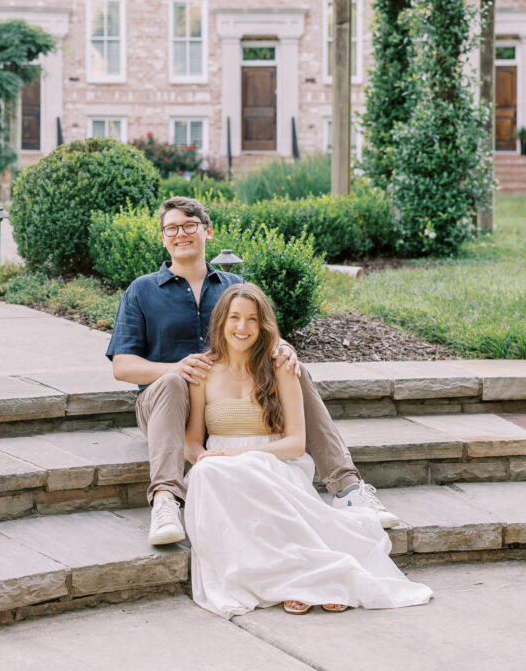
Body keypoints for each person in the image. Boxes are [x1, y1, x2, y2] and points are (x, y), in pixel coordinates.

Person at [107, 196, 398, 547]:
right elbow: (122, 366)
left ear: (207, 231)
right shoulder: (141, 290)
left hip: (226, 405)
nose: (180, 233)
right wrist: (177, 368)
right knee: (172, 382)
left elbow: (261, 330)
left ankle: (347, 488)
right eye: (172, 228)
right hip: (165, 408)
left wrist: (284, 347)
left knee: (294, 369)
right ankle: (166, 500)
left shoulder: (232, 284)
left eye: (189, 225)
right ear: (163, 238)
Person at [184, 283, 433, 618]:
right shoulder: (203, 372)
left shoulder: (280, 366)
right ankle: (286, 577)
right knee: (205, 473)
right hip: (220, 471)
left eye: (252, 319)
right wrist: (207, 459)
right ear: (221, 322)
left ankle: (309, 575)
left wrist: (239, 456)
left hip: (274, 463)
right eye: (234, 317)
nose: (242, 327)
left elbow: (296, 443)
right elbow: (191, 443)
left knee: (231, 472)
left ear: (264, 325)